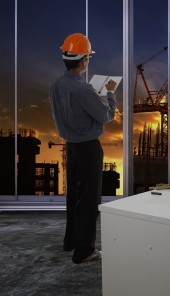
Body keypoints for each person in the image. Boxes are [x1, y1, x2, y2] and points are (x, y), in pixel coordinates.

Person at [49, 33, 117, 264]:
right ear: (85, 60)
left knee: (75, 197)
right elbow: (106, 115)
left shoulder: (56, 86)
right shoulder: (84, 89)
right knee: (88, 200)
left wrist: (91, 98)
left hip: (71, 148)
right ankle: (85, 251)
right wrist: (109, 93)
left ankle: (71, 241)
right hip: (88, 148)